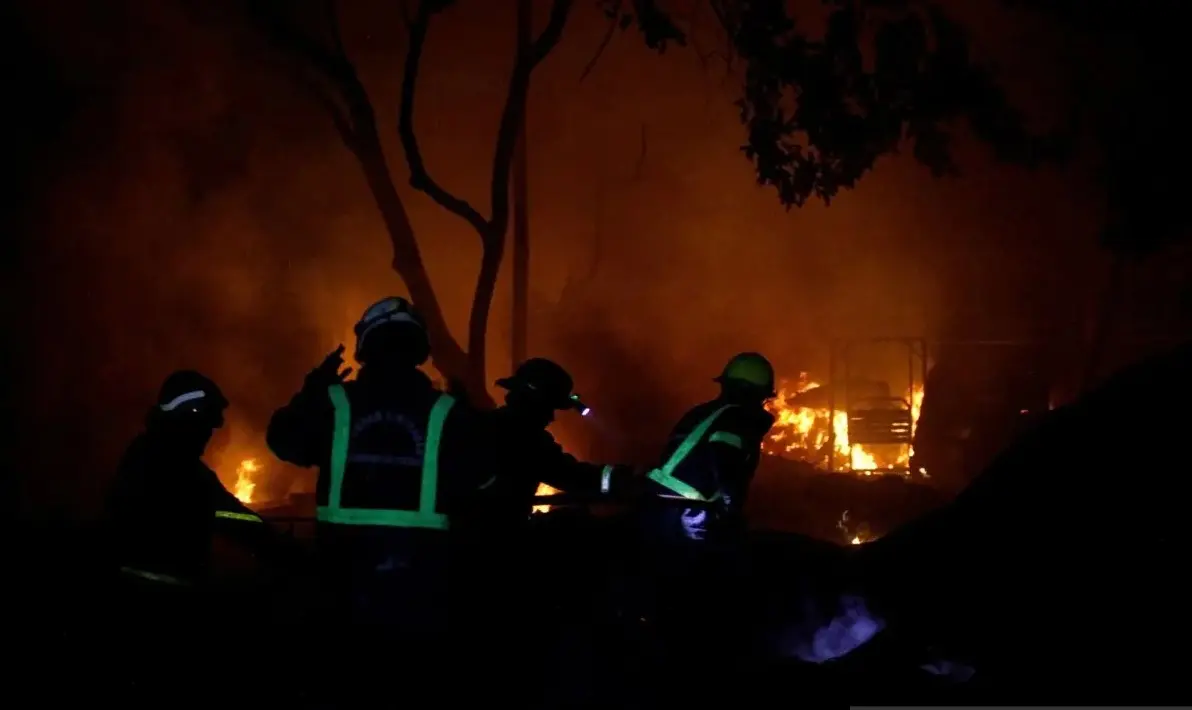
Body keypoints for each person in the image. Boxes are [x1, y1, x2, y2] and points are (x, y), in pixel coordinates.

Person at [266, 297, 491, 653]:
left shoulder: (334, 403)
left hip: (342, 578)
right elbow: (481, 478)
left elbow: (283, 443)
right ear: (419, 349)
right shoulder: (448, 412)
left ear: (366, 345)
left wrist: (310, 393)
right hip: (422, 583)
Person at [634, 351, 777, 697]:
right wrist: (727, 507)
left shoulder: (705, 413)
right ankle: (694, 679)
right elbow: (724, 458)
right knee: (700, 596)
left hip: (661, 509)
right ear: (759, 394)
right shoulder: (737, 420)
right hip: (686, 514)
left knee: (667, 595)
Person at [104, 370, 285, 641]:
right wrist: (284, 549)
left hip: (126, 596)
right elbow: (231, 517)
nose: (208, 436)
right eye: (207, 426)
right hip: (165, 607)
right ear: (191, 417)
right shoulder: (181, 469)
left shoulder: (141, 453)